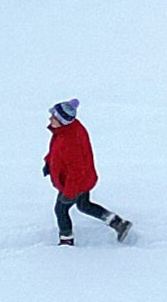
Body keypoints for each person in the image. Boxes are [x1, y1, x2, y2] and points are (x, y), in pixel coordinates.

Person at [44, 100, 132, 246]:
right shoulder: (67, 130)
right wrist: (48, 162)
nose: (50, 119)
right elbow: (55, 151)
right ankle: (118, 223)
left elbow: (76, 171)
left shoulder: (69, 140)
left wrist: (69, 193)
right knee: (84, 205)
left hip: (75, 183)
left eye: (53, 117)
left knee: (60, 209)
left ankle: (66, 240)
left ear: (62, 120)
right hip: (84, 179)